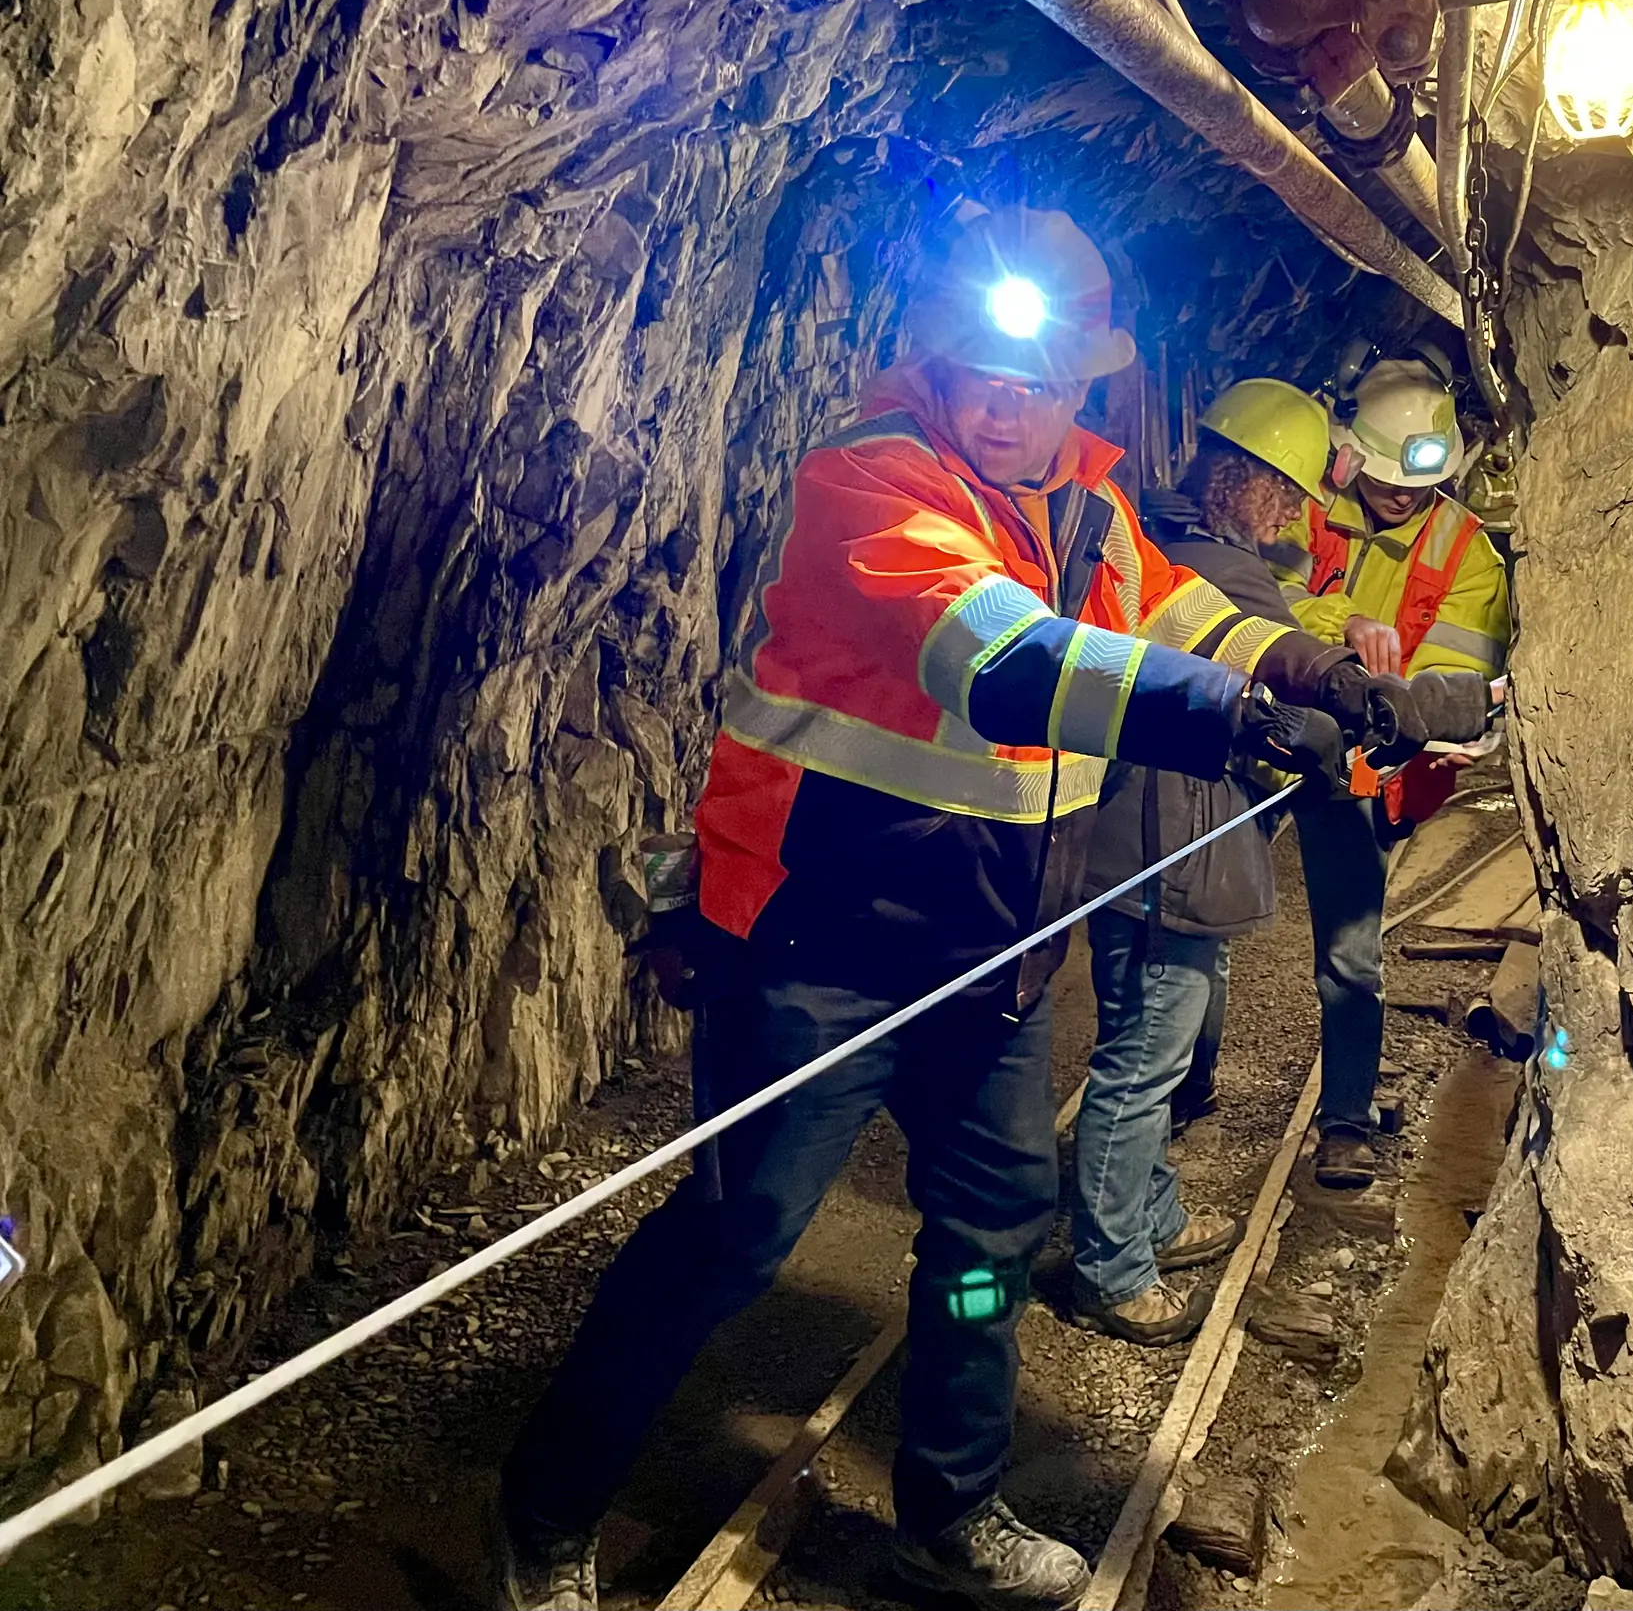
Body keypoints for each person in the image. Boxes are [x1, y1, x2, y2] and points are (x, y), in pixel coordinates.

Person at [494, 206, 1431, 1611]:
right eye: (989, 372)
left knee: (990, 1244)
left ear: (1083, 386)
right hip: (820, 955)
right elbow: (1002, 660)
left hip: (991, 967)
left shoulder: (1095, 512)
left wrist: (1313, 673)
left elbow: (1180, 617)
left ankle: (951, 1507)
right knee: (732, 1238)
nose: (1011, 404)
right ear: (942, 356)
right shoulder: (873, 484)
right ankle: (549, 1516)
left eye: (1042, 380)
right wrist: (1232, 720)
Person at [1069, 378, 1345, 1345]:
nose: (1295, 519)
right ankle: (1111, 1267)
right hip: (1166, 844)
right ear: (1255, 483)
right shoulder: (1221, 574)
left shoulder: (1165, 543)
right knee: (1143, 1059)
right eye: (1289, 496)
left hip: (1158, 834)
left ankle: (1151, 1217)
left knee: (1160, 1041)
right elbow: (1281, 703)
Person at [1278, 357, 1511, 1189]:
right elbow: (1249, 603)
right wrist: (1344, 625)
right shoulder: (1300, 508)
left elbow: (1448, 683)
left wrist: (1413, 717)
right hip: (1258, 739)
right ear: (1353, 455)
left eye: (1417, 481)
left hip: (1361, 769)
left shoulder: (1468, 553)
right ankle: (1187, 1092)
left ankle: (1344, 1119)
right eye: (1383, 479)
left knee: (1350, 952)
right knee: (1202, 929)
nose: (1402, 496)